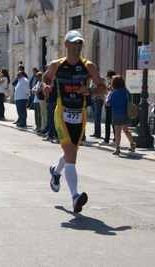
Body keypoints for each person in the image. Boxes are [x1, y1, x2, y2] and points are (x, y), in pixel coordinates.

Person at [42, 30, 106, 213]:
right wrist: (46, 86)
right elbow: (45, 78)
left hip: (79, 114)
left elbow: (102, 88)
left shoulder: (88, 66)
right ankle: (75, 197)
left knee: (71, 154)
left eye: (80, 43)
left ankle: (55, 171)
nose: (77, 46)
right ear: (66, 44)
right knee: (71, 153)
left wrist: (91, 92)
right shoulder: (57, 65)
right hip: (61, 113)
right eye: (74, 43)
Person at [105, 74, 136, 155]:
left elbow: (107, 104)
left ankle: (117, 148)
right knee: (126, 130)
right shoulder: (126, 91)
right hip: (126, 112)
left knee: (117, 131)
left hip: (117, 112)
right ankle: (132, 144)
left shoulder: (115, 93)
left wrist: (108, 95)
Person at [99, 70, 117, 146]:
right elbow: (105, 92)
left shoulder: (115, 84)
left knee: (113, 123)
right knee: (107, 123)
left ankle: (115, 139)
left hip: (112, 105)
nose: (106, 77)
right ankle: (106, 139)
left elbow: (113, 93)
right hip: (108, 105)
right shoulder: (109, 84)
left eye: (107, 76)